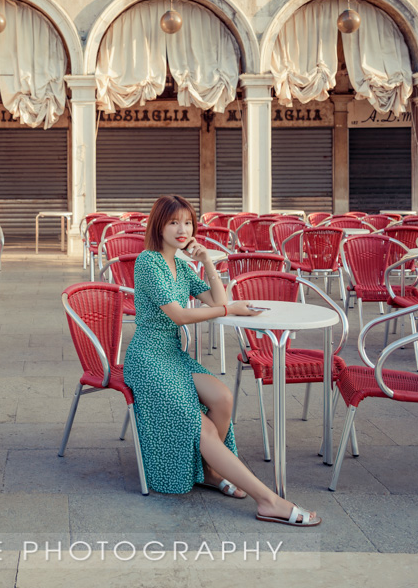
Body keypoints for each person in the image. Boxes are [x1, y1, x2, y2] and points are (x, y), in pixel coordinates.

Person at [123, 194, 321, 526]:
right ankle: (268, 500)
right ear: (158, 224)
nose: (182, 229)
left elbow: (218, 299)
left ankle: (211, 472)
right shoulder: (148, 262)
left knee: (223, 398)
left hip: (173, 355)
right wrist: (231, 310)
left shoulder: (181, 265)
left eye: (187, 222)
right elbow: (181, 316)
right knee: (202, 430)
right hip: (148, 360)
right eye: (174, 222)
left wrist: (209, 264)